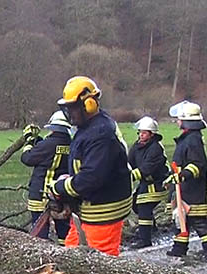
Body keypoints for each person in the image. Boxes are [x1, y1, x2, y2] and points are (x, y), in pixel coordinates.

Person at [48, 76, 132, 256]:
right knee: (70, 253)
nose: (70, 114)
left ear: (89, 104)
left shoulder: (100, 134)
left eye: (73, 108)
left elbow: (91, 178)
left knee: (101, 263)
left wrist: (61, 186)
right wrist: (69, 179)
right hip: (88, 209)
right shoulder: (89, 127)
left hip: (103, 211)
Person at [166, 101, 207, 262]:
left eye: (179, 119)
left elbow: (198, 164)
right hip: (185, 187)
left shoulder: (192, 140)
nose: (177, 122)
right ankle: (179, 248)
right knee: (181, 219)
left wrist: (183, 175)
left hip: (193, 189)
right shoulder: (188, 138)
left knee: (198, 221)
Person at [21, 111, 72, 243]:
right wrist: (38, 141)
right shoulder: (72, 144)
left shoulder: (48, 144)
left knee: (40, 234)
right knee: (64, 232)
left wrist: (29, 140)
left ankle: (42, 259)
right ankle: (65, 255)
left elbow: (27, 158)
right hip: (62, 194)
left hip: (41, 194)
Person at [127, 116, 168, 249]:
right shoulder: (137, 146)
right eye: (139, 132)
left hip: (158, 183)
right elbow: (130, 162)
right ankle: (151, 228)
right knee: (135, 205)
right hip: (145, 183)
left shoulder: (156, 148)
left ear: (152, 134)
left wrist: (127, 178)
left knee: (144, 207)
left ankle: (145, 240)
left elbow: (147, 168)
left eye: (144, 132)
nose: (141, 135)